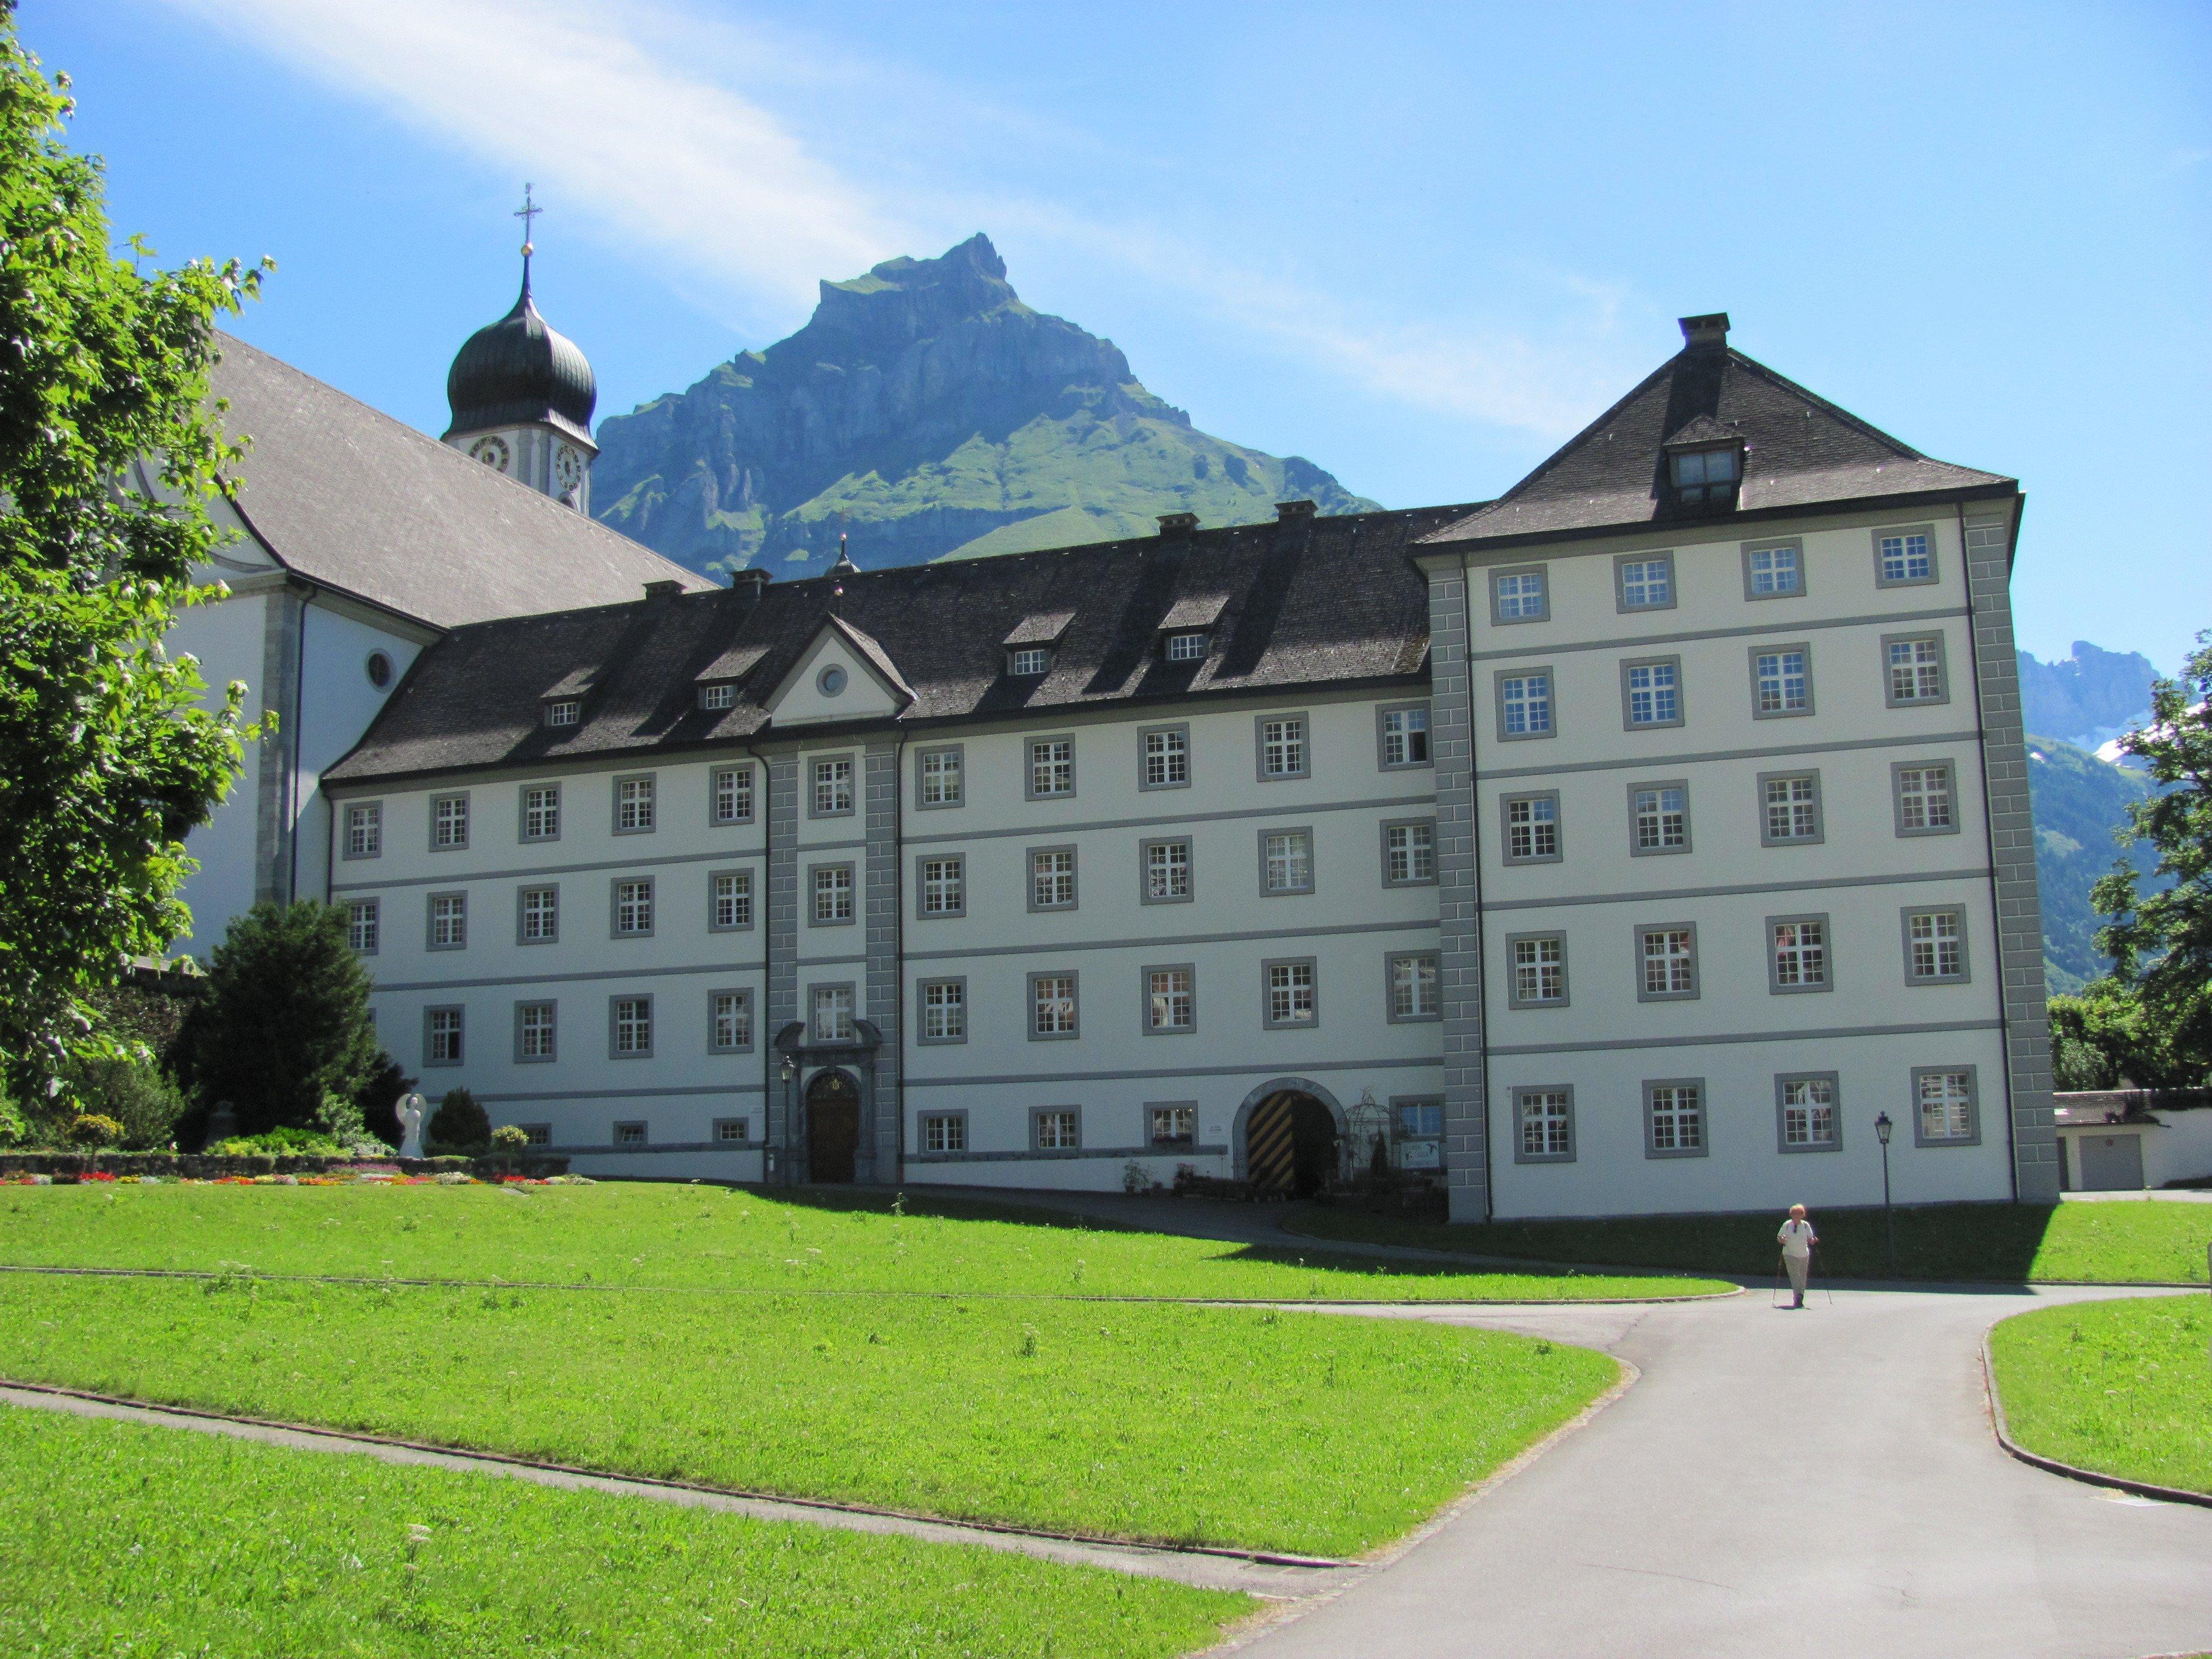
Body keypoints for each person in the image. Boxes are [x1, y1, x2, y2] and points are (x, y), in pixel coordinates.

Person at [1777, 1204, 1818, 1309]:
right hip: (1789, 1253)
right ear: (1791, 1214)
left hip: (1804, 1254)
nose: (1796, 1215)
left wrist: (1813, 1241)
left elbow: (1810, 1239)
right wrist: (1782, 1239)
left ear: (1803, 1215)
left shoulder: (1805, 1225)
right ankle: (1797, 1296)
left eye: (1799, 1213)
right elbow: (1779, 1238)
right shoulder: (1787, 1225)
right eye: (1794, 1213)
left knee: (1802, 1277)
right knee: (1795, 1276)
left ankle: (1801, 1296)